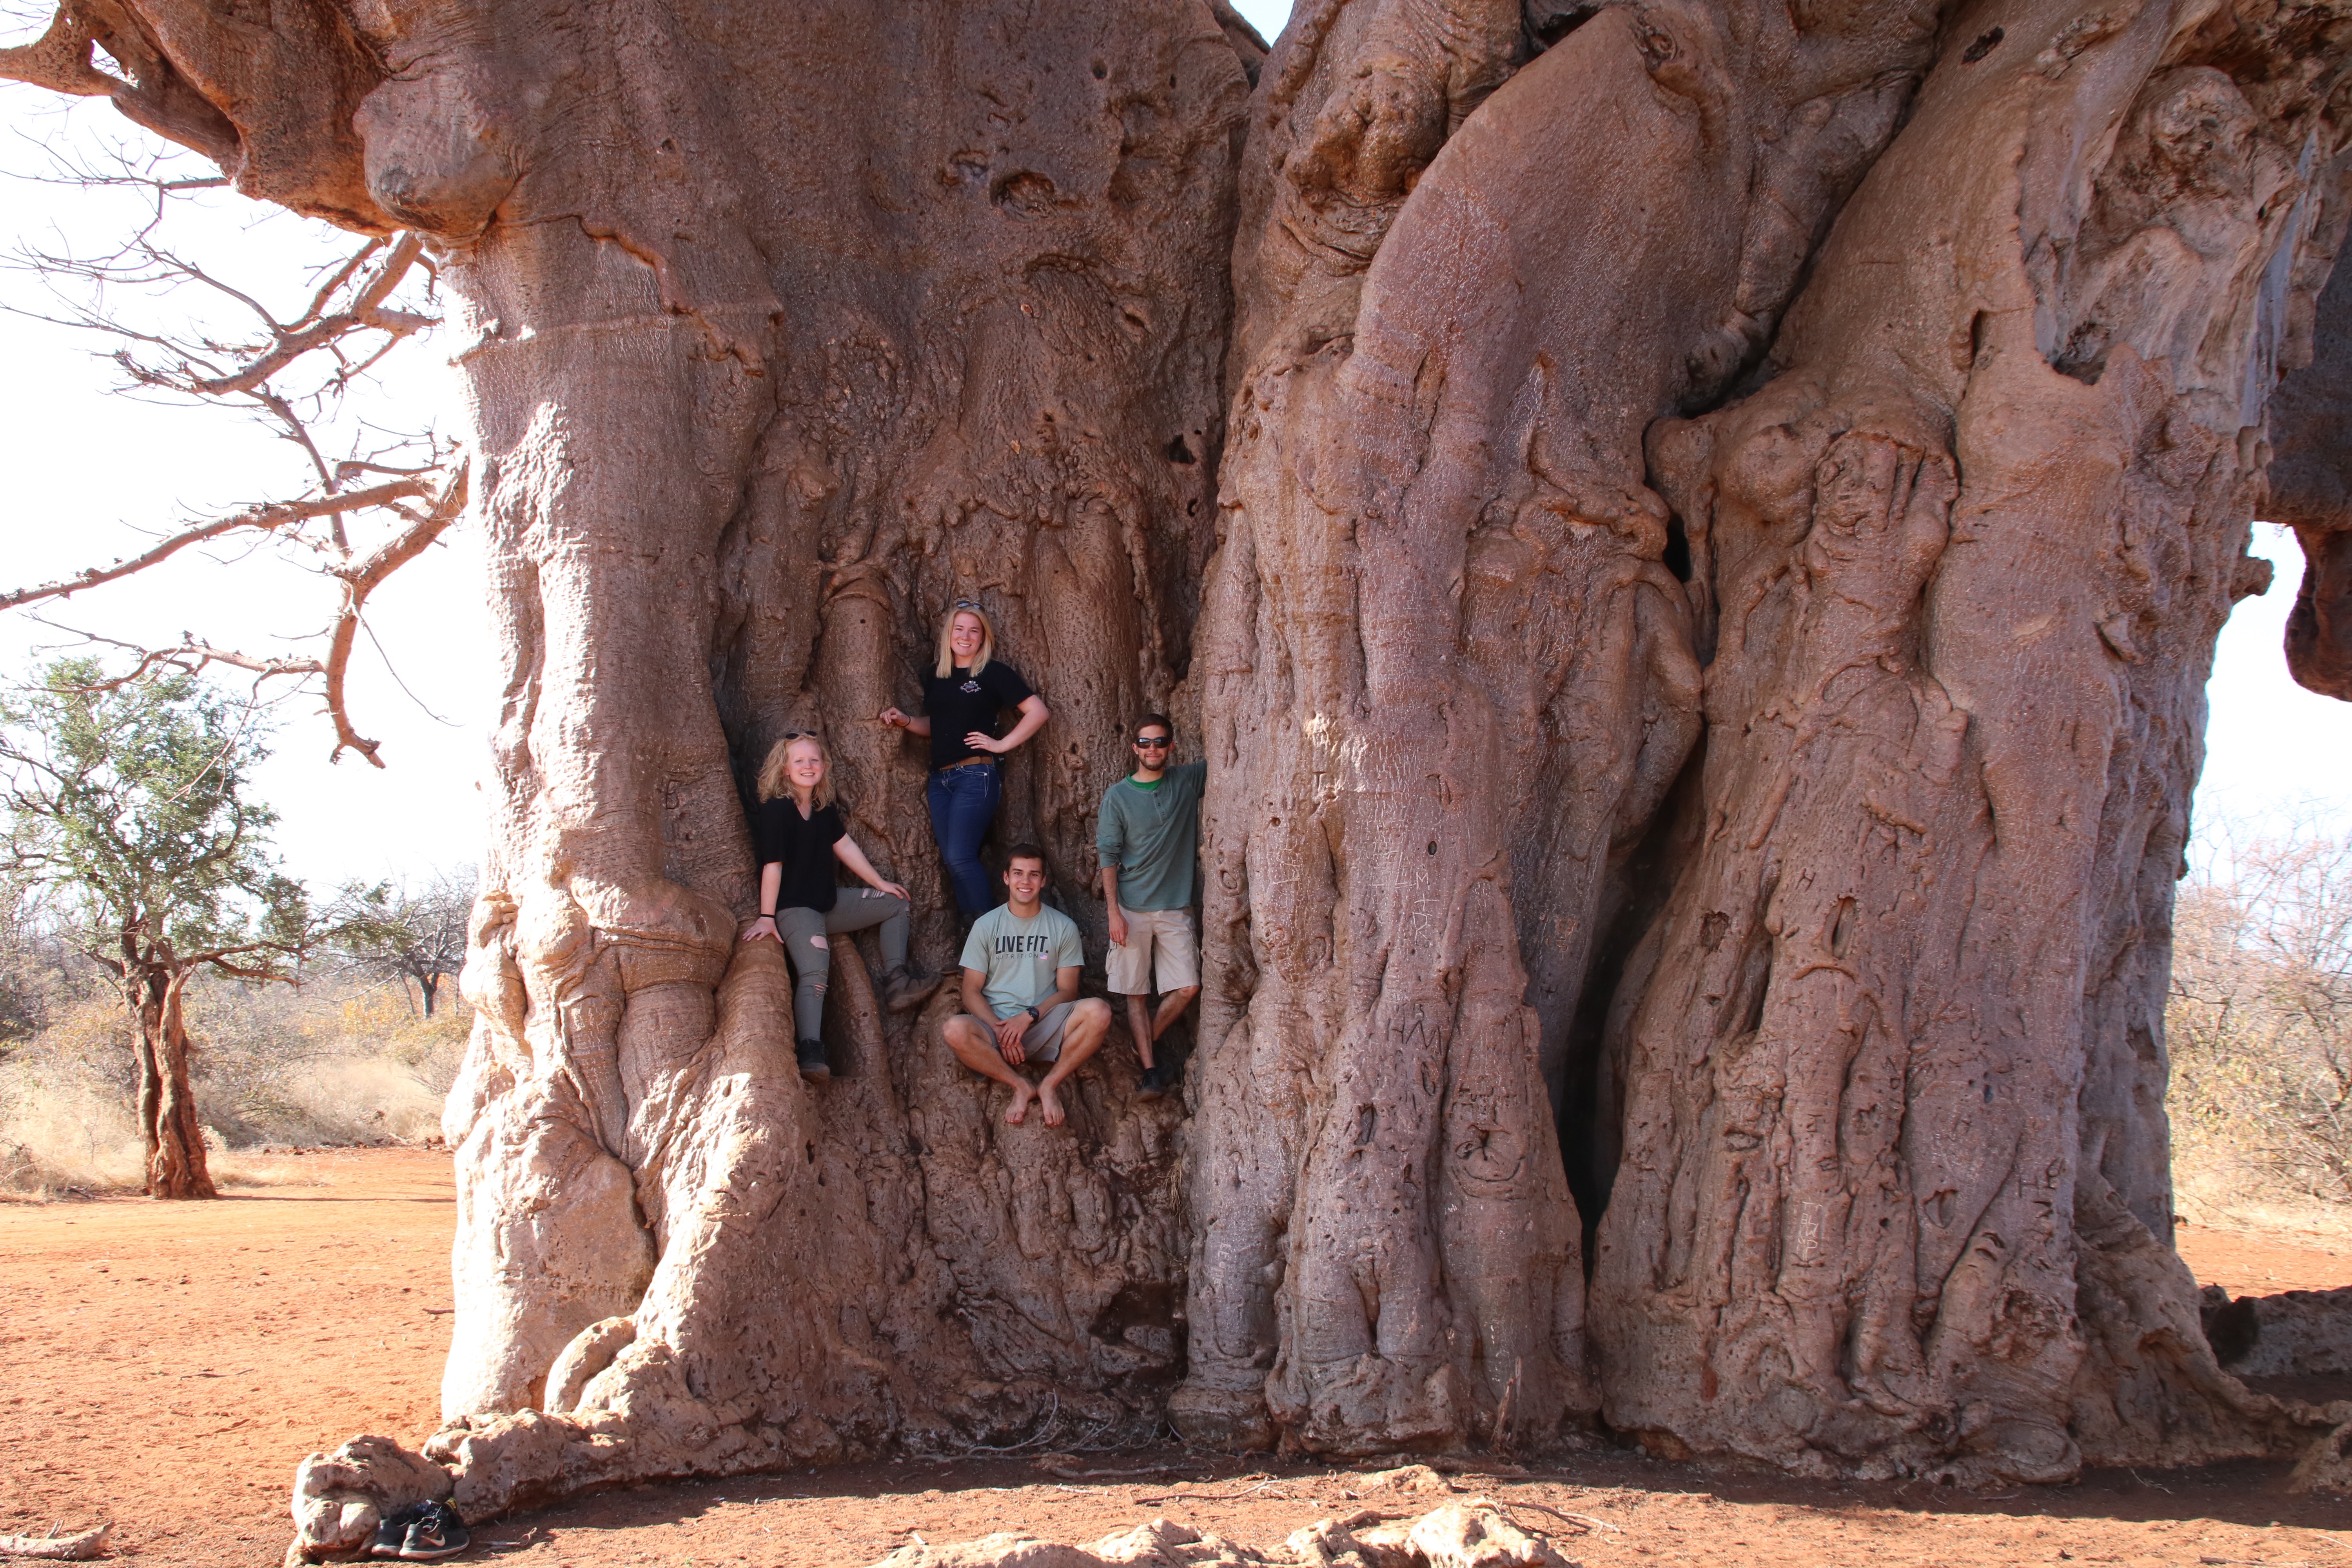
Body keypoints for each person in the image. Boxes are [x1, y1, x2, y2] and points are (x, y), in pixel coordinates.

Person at [742, 731, 943, 1081]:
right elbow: (772, 866)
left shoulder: (822, 808)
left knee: (895, 904)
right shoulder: (778, 809)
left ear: (824, 766)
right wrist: (766, 916)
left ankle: (897, 981)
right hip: (794, 911)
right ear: (785, 769)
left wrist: (880, 884)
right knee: (816, 971)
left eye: (814, 760)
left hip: (828, 904)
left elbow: (845, 846)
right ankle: (810, 1049)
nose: (808, 766)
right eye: (800, 761)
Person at [879, 600, 1050, 919]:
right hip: (940, 781)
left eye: (975, 631)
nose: (966, 636)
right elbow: (939, 725)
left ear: (984, 638)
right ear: (948, 634)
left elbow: (1038, 712)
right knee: (953, 861)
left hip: (975, 776)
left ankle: (987, 937)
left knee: (960, 858)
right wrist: (906, 721)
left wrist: (1001, 745)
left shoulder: (993, 673)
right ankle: (979, 938)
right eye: (959, 629)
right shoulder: (936, 675)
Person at [940, 844, 1110, 1127]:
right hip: (995, 1027)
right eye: (1018, 874)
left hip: (1043, 1023)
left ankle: (1049, 1084)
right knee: (954, 1030)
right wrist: (1001, 1029)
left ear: (1043, 881)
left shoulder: (1063, 927)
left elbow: (1068, 991)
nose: (1026, 882)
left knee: (1100, 1012)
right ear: (1006, 878)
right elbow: (970, 990)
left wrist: (1028, 1017)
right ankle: (1020, 1085)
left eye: (1033, 875)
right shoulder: (986, 926)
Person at [1097, 714, 1205, 1099]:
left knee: (1189, 986)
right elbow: (1107, 855)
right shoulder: (1118, 797)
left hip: (1175, 907)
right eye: (1145, 743)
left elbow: (1234, 760)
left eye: (1160, 742)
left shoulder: (1187, 782)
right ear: (1134, 748)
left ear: (1171, 747)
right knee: (1136, 992)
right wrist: (1113, 912)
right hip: (1130, 908)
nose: (1152, 749)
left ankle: (1144, 1040)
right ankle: (1150, 1070)